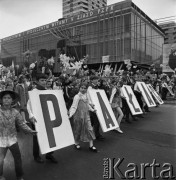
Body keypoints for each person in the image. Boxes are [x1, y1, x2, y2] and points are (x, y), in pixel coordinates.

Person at [0, 90, 37, 180]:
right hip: (1, 140)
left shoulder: (15, 112)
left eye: (9, 98)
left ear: (12, 100)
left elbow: (22, 123)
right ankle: (0, 175)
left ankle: (19, 176)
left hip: (13, 140)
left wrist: (30, 130)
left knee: (18, 158)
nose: (7, 100)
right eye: (4, 98)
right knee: (0, 160)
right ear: (1, 100)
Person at [27, 73, 58, 164]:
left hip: (47, 117)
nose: (44, 82)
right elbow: (28, 105)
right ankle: (36, 156)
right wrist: (31, 115)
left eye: (45, 80)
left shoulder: (48, 90)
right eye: (42, 80)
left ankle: (49, 154)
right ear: (37, 81)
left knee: (50, 135)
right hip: (36, 119)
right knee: (36, 138)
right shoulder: (33, 92)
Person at [69, 82, 98, 152]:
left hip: (86, 115)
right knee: (78, 129)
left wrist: (92, 110)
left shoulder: (86, 96)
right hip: (78, 116)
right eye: (82, 88)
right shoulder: (77, 96)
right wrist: (70, 114)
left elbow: (87, 105)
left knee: (89, 128)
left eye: (85, 88)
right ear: (79, 88)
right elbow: (74, 106)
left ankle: (91, 145)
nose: (83, 89)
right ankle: (76, 143)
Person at [87, 76, 105, 141]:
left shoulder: (95, 86)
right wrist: (91, 105)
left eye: (97, 79)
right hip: (93, 106)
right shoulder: (90, 87)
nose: (97, 80)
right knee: (96, 120)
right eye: (95, 79)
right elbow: (89, 97)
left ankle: (89, 133)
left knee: (92, 121)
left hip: (95, 104)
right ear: (92, 80)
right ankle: (97, 134)